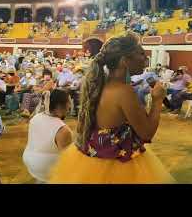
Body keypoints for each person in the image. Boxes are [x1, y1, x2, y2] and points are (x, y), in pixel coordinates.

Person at [48, 35, 174, 184]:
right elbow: (147, 133)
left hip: (92, 163)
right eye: (140, 53)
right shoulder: (123, 91)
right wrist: (157, 100)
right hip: (118, 167)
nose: (145, 58)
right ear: (124, 61)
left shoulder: (100, 85)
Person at [23, 89, 73, 183]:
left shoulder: (36, 117)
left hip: (30, 161)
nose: (70, 106)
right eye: (68, 103)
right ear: (59, 106)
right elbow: (67, 159)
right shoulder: (63, 130)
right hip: (46, 167)